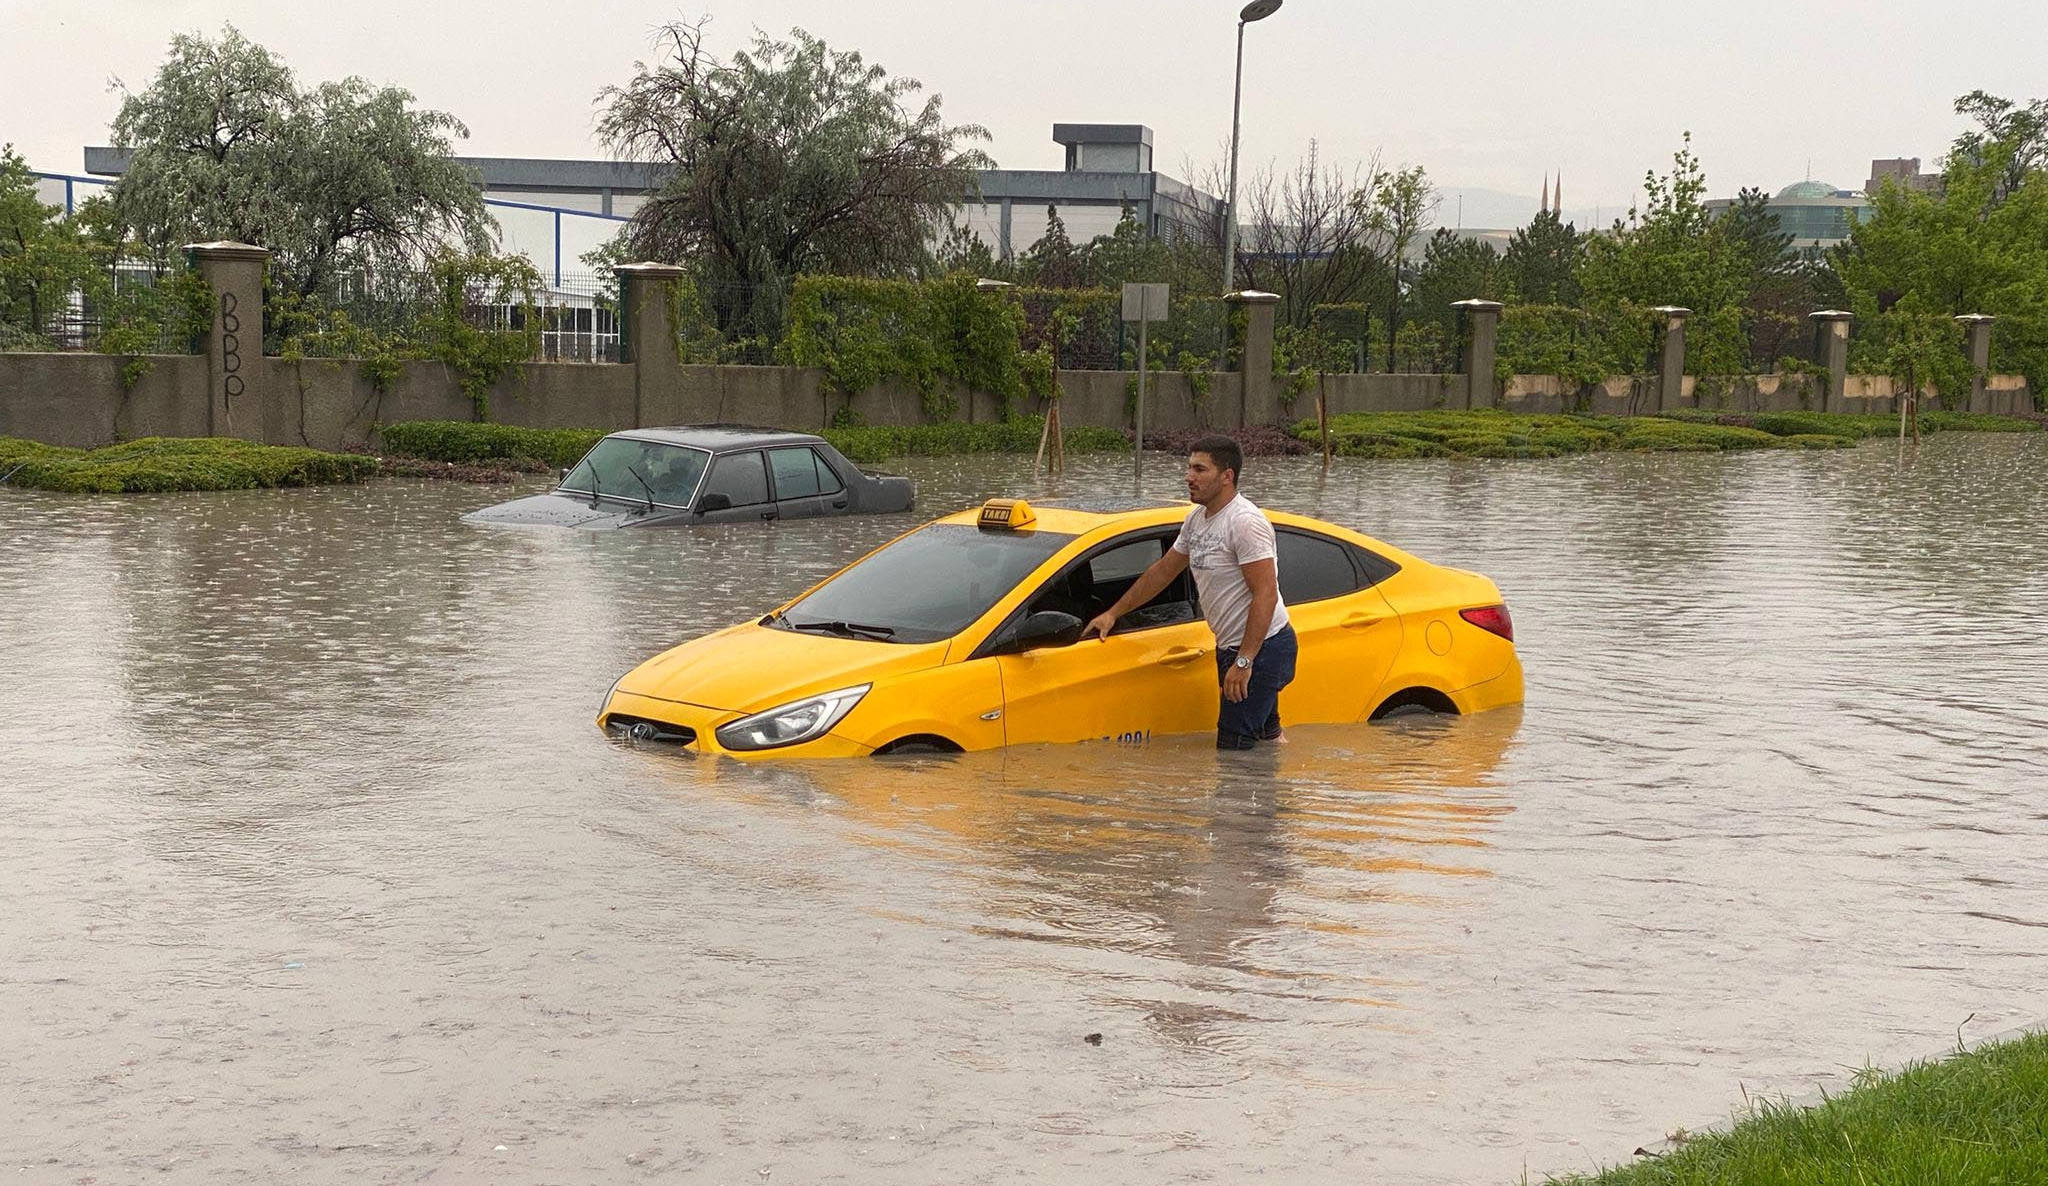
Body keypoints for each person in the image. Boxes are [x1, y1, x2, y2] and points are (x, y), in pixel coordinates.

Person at [1083, 436, 1296, 749]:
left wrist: (1244, 662)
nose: (1189, 477)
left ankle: (1260, 796)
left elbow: (1265, 594)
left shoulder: (1245, 523)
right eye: (1189, 467)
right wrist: (1113, 614)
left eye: (1200, 469)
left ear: (1227, 476)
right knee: (1266, 740)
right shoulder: (1197, 520)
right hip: (1234, 646)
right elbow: (1163, 571)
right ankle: (1283, 792)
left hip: (1262, 647)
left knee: (1234, 751)